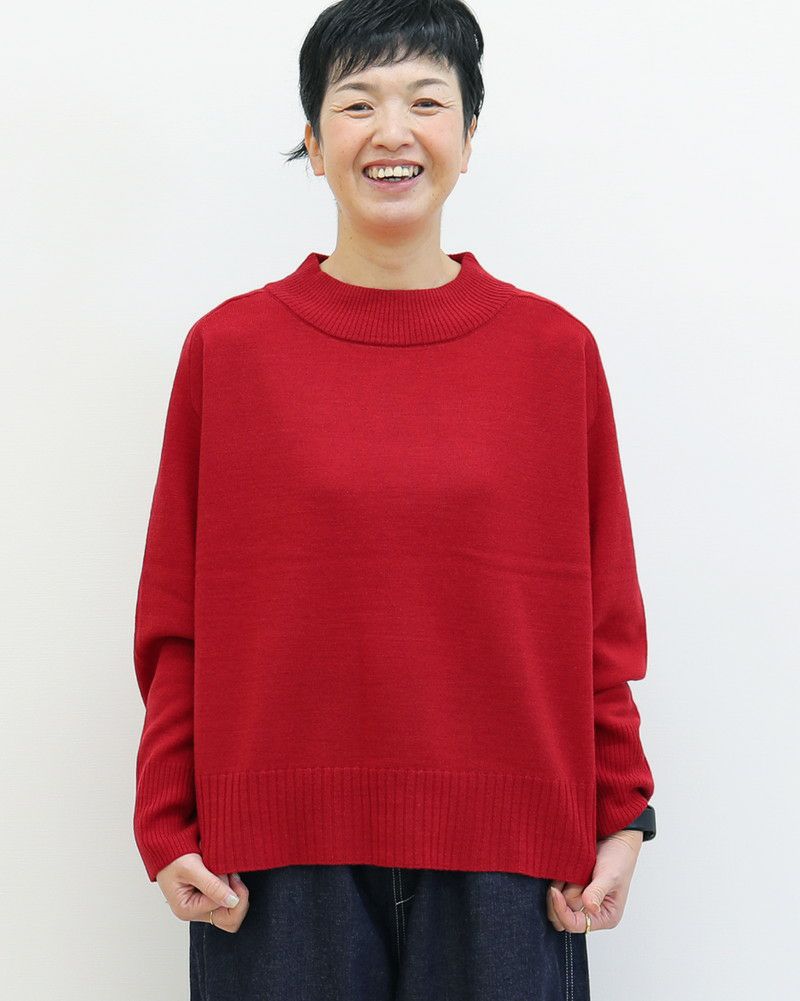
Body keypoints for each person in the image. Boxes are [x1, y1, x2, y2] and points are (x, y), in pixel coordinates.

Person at [131, 1, 657, 998]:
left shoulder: (553, 354)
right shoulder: (229, 353)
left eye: (426, 100)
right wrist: (165, 820)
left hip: (513, 855)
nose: (391, 130)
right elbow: (176, 620)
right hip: (273, 860)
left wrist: (621, 810)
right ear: (312, 139)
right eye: (357, 102)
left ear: (468, 134)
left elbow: (600, 620)